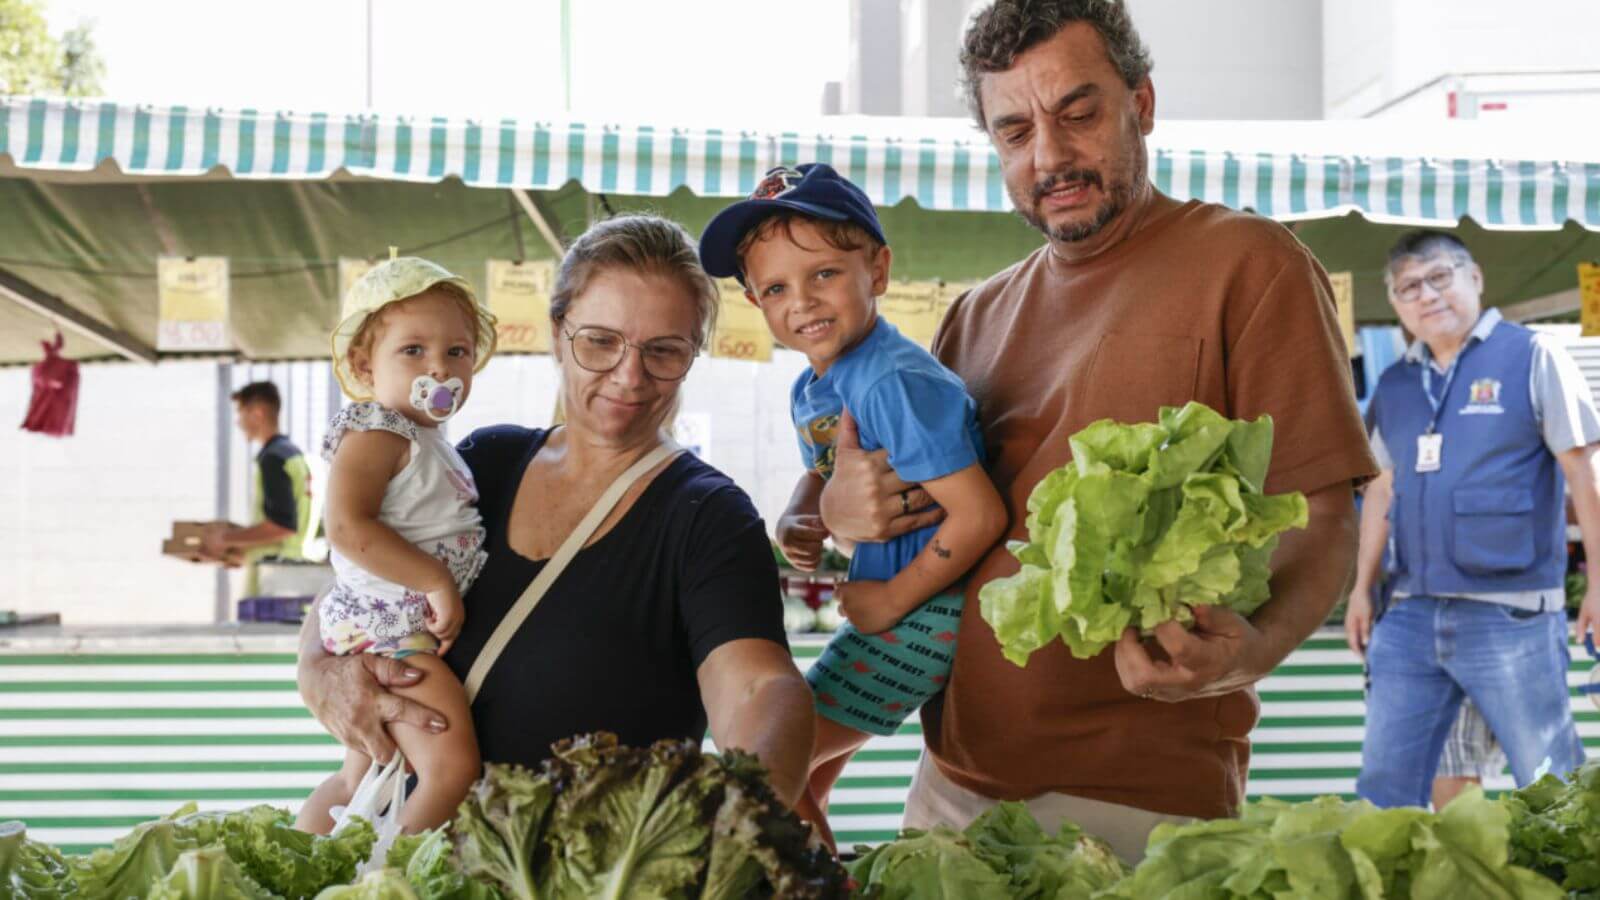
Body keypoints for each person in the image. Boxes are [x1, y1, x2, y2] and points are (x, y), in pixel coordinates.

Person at [816, 0, 1375, 861]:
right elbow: (891, 524)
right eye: (1014, 131)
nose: (1049, 155)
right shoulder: (973, 314)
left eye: (1078, 114)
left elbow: (1322, 515)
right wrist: (837, 512)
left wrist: (1249, 651)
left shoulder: (1252, 265)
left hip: (1140, 807)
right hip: (949, 788)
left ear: (1140, 104)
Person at [295, 215, 815, 814]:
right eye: (599, 341)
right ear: (556, 332)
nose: (629, 375)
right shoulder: (479, 464)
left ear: (693, 354)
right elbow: (359, 579)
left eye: (664, 351)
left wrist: (757, 810)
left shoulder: (707, 516)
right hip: (400, 863)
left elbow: (759, 685)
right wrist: (317, 672)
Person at [698, 163, 1008, 848]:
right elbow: (825, 469)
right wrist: (798, 514)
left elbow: (981, 516)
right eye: (775, 287)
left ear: (879, 269)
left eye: (825, 275)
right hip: (891, 611)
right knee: (805, 777)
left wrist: (889, 598)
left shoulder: (893, 381)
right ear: (755, 303)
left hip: (922, 617)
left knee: (766, 771)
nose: (801, 302)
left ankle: (815, 888)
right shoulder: (819, 382)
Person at [1346, 230, 1600, 808]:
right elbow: (1382, 490)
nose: (1427, 295)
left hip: (1512, 614)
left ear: (1475, 278)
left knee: (1551, 784)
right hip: (1411, 614)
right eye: (1409, 287)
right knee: (1388, 789)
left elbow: (1584, 472)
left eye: (1440, 276)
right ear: (1396, 304)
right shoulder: (1395, 383)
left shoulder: (1533, 355)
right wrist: (1362, 589)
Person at [295, 257, 497, 833]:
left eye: (457, 352)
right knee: (451, 770)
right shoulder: (378, 429)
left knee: (357, 778)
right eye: (413, 351)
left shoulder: (426, 438)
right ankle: (388, 882)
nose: (440, 366)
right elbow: (347, 528)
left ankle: (306, 858)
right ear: (364, 364)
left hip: (391, 627)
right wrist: (435, 581)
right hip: (393, 632)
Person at [203, 381, 311, 594]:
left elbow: (282, 526)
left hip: (274, 582)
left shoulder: (273, 459)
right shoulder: (294, 456)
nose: (238, 422)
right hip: (292, 573)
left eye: (241, 413)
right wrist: (239, 554)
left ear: (257, 413)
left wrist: (223, 539)